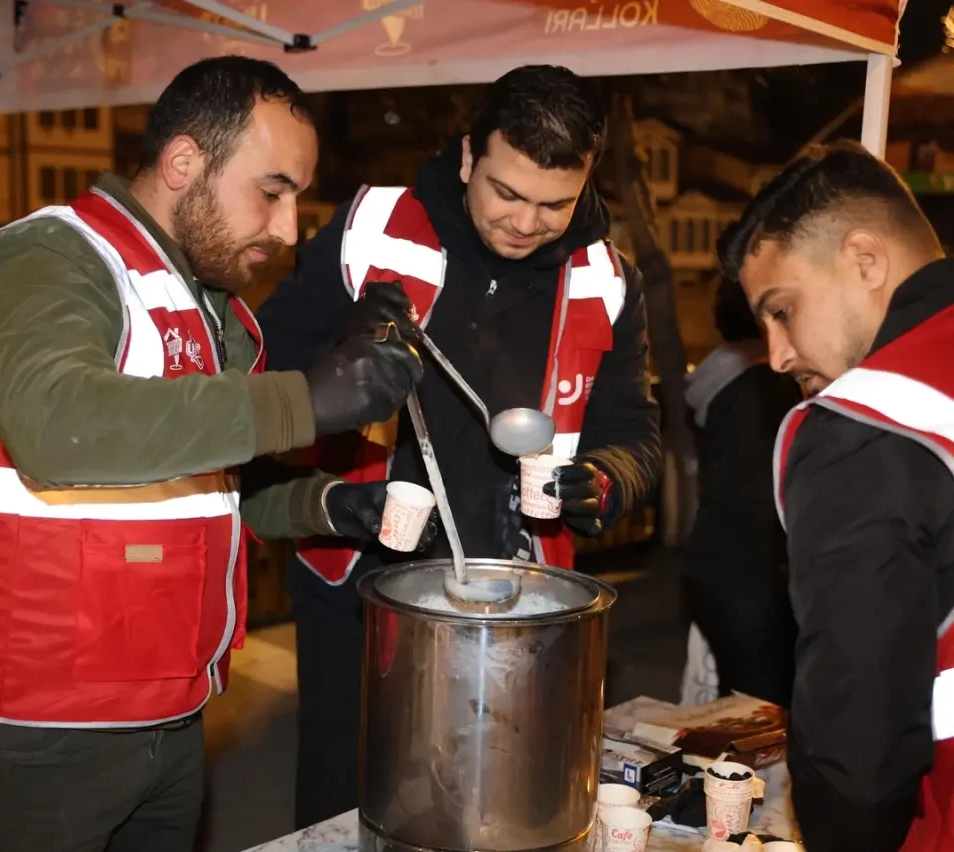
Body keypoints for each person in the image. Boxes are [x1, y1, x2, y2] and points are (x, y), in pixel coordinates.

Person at [0, 56, 426, 852]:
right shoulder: (47, 257)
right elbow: (57, 428)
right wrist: (306, 398)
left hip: (171, 711)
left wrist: (328, 505)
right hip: (37, 726)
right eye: (272, 191)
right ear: (184, 161)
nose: (287, 229)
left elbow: (207, 481)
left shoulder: (205, 303)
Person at [256, 64, 662, 827]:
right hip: (358, 586)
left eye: (555, 204)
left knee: (492, 812)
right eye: (507, 192)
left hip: (518, 605)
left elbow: (635, 437)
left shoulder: (608, 279)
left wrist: (605, 480)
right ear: (470, 155)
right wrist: (342, 350)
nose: (527, 222)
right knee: (346, 808)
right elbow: (261, 371)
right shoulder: (372, 228)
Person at [720, 141, 954, 851]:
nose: (776, 356)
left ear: (865, 260)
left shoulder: (870, 426)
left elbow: (855, 757)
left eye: (783, 311)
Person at [681, 277, 799, 708]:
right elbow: (764, 500)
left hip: (717, 566)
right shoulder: (763, 387)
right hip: (752, 577)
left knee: (736, 703)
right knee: (758, 713)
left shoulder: (719, 379)